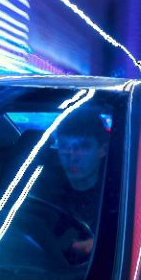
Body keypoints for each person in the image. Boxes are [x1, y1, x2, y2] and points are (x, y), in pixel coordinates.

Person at [49, 109, 110, 261]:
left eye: (83, 146)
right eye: (64, 145)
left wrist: (105, 246)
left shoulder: (120, 196)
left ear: (102, 149)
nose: (72, 156)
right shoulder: (37, 189)